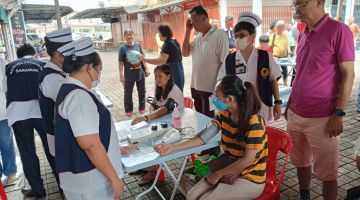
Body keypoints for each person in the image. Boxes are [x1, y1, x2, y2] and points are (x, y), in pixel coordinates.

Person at [154, 75, 267, 199]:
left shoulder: (254, 123)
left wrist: (219, 174)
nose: (214, 99)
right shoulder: (224, 114)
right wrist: (172, 147)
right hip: (229, 165)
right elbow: (203, 138)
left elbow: (247, 160)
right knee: (191, 196)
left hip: (250, 177)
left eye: (216, 96)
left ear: (228, 99)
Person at [285, 0, 355, 199]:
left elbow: (348, 74)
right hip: (295, 113)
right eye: (295, 4)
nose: (297, 8)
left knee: (327, 172)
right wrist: (290, 103)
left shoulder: (338, 30)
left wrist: (339, 114)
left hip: (324, 117)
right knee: (300, 161)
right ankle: (304, 195)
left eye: (302, 3)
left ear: (319, 2)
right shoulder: (303, 32)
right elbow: (300, 72)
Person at [54, 37, 124, 199]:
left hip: (84, 179)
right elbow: (90, 144)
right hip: (90, 181)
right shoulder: (79, 96)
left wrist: (113, 148)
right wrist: (114, 178)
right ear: (89, 68)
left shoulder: (71, 89)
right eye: (99, 70)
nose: (99, 75)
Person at [218, 12, 282, 124]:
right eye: (236, 36)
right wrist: (221, 104)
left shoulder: (264, 56)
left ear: (253, 37)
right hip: (238, 107)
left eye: (242, 35)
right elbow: (222, 83)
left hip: (261, 105)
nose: (238, 39)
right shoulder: (230, 59)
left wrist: (277, 102)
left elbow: (273, 80)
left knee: (259, 136)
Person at [182, 5, 228, 156]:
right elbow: (185, 52)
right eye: (192, 22)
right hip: (196, 85)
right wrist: (188, 30)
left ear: (204, 18)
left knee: (211, 120)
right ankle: (205, 147)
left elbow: (224, 61)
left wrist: (219, 87)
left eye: (195, 21)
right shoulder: (197, 38)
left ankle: (214, 150)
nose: (194, 24)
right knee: (201, 119)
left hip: (210, 87)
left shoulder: (219, 34)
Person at [130, 64, 184, 186]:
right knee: (142, 135)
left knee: (152, 140)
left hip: (174, 127)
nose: (157, 79)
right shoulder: (160, 88)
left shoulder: (174, 91)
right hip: (162, 123)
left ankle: (155, 171)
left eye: (160, 76)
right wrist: (149, 115)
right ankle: (149, 167)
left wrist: (145, 117)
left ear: (168, 76)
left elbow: (164, 109)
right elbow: (155, 104)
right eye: (155, 76)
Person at [5, 44, 47, 198]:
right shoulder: (43, 64)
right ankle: (63, 184)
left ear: (18, 56)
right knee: (52, 148)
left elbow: (5, 89)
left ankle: (38, 189)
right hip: (42, 111)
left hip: (18, 114)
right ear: (34, 54)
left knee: (27, 152)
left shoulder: (9, 67)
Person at [38, 28, 73, 191]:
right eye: (71, 52)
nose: (74, 57)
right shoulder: (53, 78)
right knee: (69, 183)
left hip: (61, 138)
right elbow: (71, 107)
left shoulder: (57, 72)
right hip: (61, 140)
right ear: (59, 55)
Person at [138, 24, 185, 91]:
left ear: (163, 33)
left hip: (172, 76)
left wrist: (144, 59)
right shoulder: (174, 42)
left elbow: (161, 61)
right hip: (179, 74)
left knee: (171, 96)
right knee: (177, 95)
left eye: (159, 32)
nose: (158, 34)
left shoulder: (167, 44)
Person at [118, 29, 150, 117]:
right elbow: (121, 63)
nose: (129, 37)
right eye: (127, 35)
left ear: (133, 35)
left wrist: (146, 68)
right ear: (124, 36)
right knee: (128, 93)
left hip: (140, 73)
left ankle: (142, 107)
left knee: (142, 91)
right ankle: (128, 110)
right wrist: (121, 75)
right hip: (128, 74)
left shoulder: (138, 45)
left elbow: (142, 58)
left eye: (130, 35)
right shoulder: (122, 48)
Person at [0, 57, 17, 187]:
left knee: (6, 142)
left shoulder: (0, 61)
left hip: (2, 112)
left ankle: (10, 172)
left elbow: (8, 85)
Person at [269, 20, 290, 86]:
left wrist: (289, 51)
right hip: (275, 56)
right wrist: (271, 55)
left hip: (284, 56)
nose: (281, 29)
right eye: (280, 27)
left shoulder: (285, 35)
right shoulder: (273, 35)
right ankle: (275, 83)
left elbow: (287, 44)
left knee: (285, 70)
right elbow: (270, 46)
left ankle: (285, 82)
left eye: (282, 27)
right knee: (275, 71)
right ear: (276, 27)